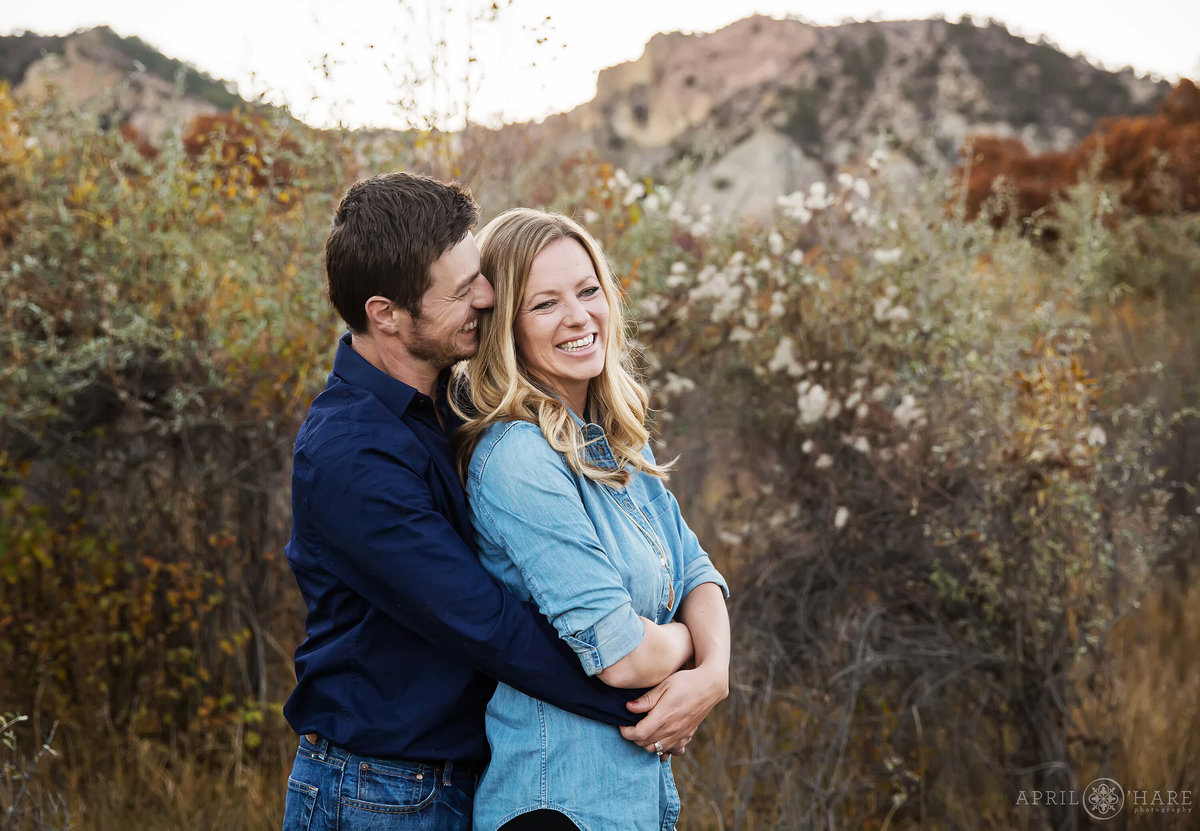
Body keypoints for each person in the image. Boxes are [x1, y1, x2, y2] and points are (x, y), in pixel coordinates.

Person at [281, 173, 708, 831]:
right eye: (460, 291)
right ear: (385, 313)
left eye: (479, 274)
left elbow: (682, 556)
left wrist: (710, 675)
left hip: (463, 776)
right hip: (378, 788)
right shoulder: (349, 452)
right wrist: (648, 702)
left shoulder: (459, 404)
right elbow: (490, 627)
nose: (486, 296)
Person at [453, 208, 731, 831]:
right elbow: (623, 656)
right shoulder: (517, 457)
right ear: (507, 330)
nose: (579, 317)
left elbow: (696, 572)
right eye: (544, 304)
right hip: (557, 802)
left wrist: (712, 677)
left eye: (587, 291)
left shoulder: (618, 441)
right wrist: (690, 646)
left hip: (626, 802)